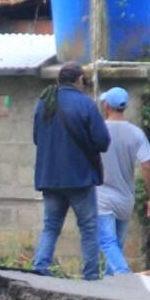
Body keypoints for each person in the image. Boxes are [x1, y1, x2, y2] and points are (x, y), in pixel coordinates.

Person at [31, 62, 111, 281]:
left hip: (49, 178)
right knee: (88, 227)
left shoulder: (44, 102)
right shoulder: (85, 105)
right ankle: (91, 276)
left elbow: (37, 138)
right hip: (79, 178)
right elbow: (103, 141)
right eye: (84, 80)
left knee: (50, 226)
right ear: (78, 80)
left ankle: (40, 267)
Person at [96, 86, 150, 275]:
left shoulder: (97, 130)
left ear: (107, 106)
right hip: (125, 199)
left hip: (101, 197)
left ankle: (124, 275)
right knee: (116, 248)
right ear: (124, 107)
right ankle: (112, 286)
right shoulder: (136, 133)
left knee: (108, 243)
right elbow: (147, 167)